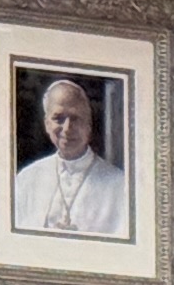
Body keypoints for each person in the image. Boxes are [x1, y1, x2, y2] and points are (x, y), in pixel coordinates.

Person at [8, 75, 129, 236]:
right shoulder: (26, 179)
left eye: (75, 119)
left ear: (89, 125)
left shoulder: (119, 186)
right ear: (47, 124)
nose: (67, 128)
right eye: (58, 118)